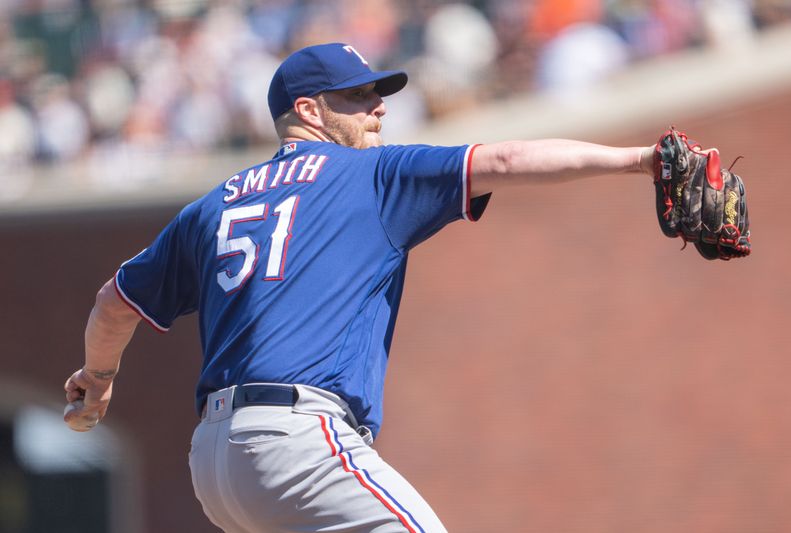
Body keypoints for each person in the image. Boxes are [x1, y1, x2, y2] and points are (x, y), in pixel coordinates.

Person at [64, 43, 656, 532]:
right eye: (359, 95)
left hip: (216, 464)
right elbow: (505, 158)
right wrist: (643, 160)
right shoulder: (371, 174)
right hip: (297, 439)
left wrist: (98, 378)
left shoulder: (210, 206)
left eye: (378, 94)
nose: (378, 108)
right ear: (310, 110)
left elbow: (112, 304)